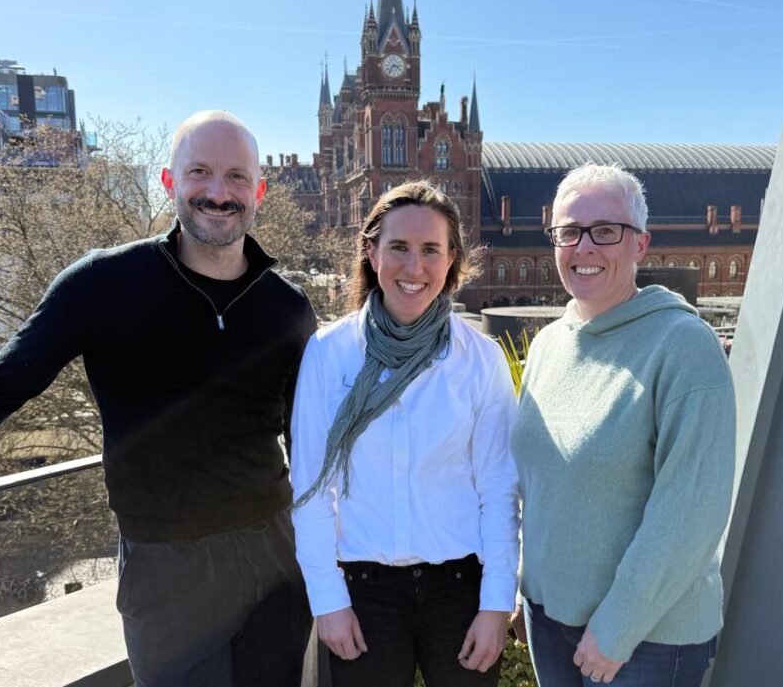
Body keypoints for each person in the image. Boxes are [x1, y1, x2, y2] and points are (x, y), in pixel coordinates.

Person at [0, 110, 318, 687]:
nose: (218, 192)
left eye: (236, 177)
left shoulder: (287, 307)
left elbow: (307, 440)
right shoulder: (102, 284)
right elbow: (4, 382)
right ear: (168, 181)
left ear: (258, 190)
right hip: (165, 568)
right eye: (199, 172)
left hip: (275, 556)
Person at [510, 163, 735, 687]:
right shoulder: (549, 345)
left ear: (640, 244)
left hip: (647, 638)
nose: (584, 247)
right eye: (569, 231)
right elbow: (538, 482)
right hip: (551, 620)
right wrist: (529, 584)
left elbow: (690, 512)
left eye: (606, 231)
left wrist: (617, 627)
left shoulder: (683, 346)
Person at [290, 181, 519, 687]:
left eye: (430, 250)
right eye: (398, 247)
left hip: (460, 592)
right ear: (371, 253)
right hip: (364, 595)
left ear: (451, 259)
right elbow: (309, 490)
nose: (414, 268)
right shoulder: (329, 355)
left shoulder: (480, 360)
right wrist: (328, 601)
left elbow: (499, 490)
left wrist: (496, 604)